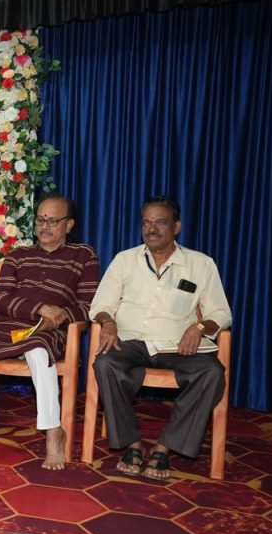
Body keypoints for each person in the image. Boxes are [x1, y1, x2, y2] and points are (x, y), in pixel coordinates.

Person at [0, 194, 100, 470]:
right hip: (4, 326)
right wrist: (39, 308)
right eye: (40, 220)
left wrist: (60, 316)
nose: (45, 226)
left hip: (48, 330)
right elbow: (0, 299)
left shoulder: (83, 256)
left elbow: (88, 305)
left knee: (38, 349)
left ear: (69, 225)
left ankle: (53, 431)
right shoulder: (18, 255)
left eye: (53, 221)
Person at [90, 196, 231, 481]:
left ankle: (165, 446)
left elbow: (221, 313)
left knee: (212, 372)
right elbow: (100, 305)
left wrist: (199, 327)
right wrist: (108, 321)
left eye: (160, 222)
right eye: (146, 223)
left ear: (176, 227)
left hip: (176, 346)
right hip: (130, 341)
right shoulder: (125, 260)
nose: (151, 229)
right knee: (105, 363)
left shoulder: (201, 264)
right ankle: (132, 443)